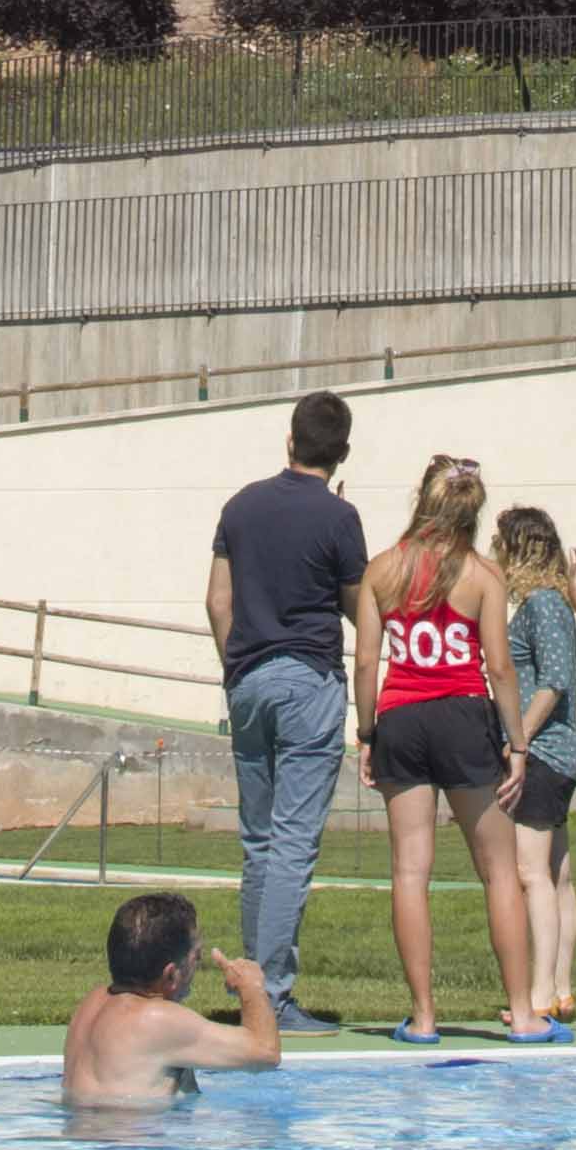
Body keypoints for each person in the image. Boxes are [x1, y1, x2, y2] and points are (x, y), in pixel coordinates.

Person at [205, 393, 370, 1024]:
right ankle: (269, 994)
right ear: (342, 452)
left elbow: (218, 603)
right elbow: (360, 611)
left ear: (289, 440)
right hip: (308, 680)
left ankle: (252, 986)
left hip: (247, 679)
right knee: (294, 844)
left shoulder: (240, 507)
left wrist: (237, 669)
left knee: (259, 842)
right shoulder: (339, 518)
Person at [357, 458, 513, 1044]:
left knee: (409, 873)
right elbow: (497, 666)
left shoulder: (383, 570)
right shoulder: (482, 574)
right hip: (464, 712)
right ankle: (522, 1012)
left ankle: (423, 1016)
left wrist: (367, 732)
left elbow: (369, 661)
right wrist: (516, 743)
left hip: (401, 715)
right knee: (499, 871)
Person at [488, 500, 576, 1039]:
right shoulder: (544, 605)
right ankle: (558, 987)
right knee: (556, 874)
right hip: (554, 754)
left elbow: (553, 683)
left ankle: (538, 995)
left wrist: (517, 742)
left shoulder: (542, 606)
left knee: (531, 875)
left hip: (544, 755)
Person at [65, 888, 286, 1103]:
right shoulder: (157, 1020)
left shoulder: (92, 1002)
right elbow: (266, 1053)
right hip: (134, 1138)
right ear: (171, 975)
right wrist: (251, 987)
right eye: (196, 957)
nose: (198, 965)